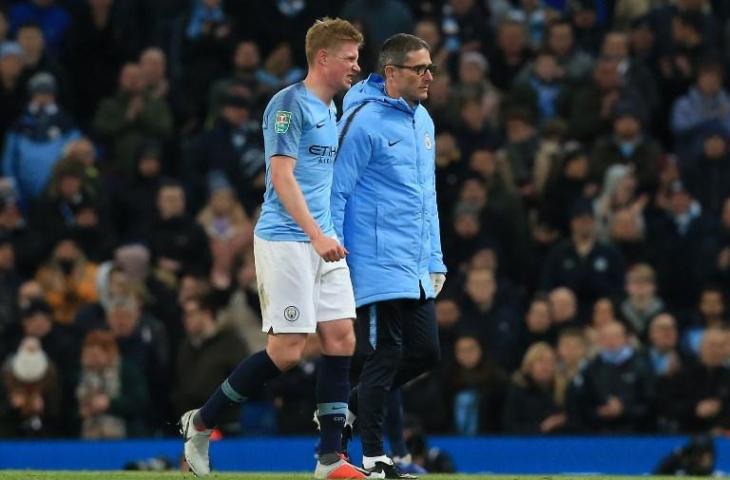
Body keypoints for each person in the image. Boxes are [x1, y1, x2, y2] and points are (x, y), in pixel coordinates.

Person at [179, 18, 366, 479]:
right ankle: (201, 424)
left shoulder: (333, 109)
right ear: (323, 58)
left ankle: (329, 459)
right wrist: (316, 235)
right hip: (286, 240)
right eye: (350, 57)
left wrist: (332, 232)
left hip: (324, 242)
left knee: (341, 336)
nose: (356, 67)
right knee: (285, 352)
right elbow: (281, 177)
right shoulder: (287, 105)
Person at [332, 33, 446, 478]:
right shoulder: (361, 120)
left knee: (426, 352)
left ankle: (344, 411)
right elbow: (336, 191)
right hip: (375, 259)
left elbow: (427, 198)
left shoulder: (424, 122)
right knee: (385, 354)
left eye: (430, 67)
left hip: (415, 262)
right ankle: (375, 457)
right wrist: (335, 255)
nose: (429, 76)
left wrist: (435, 260)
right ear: (391, 73)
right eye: (420, 69)